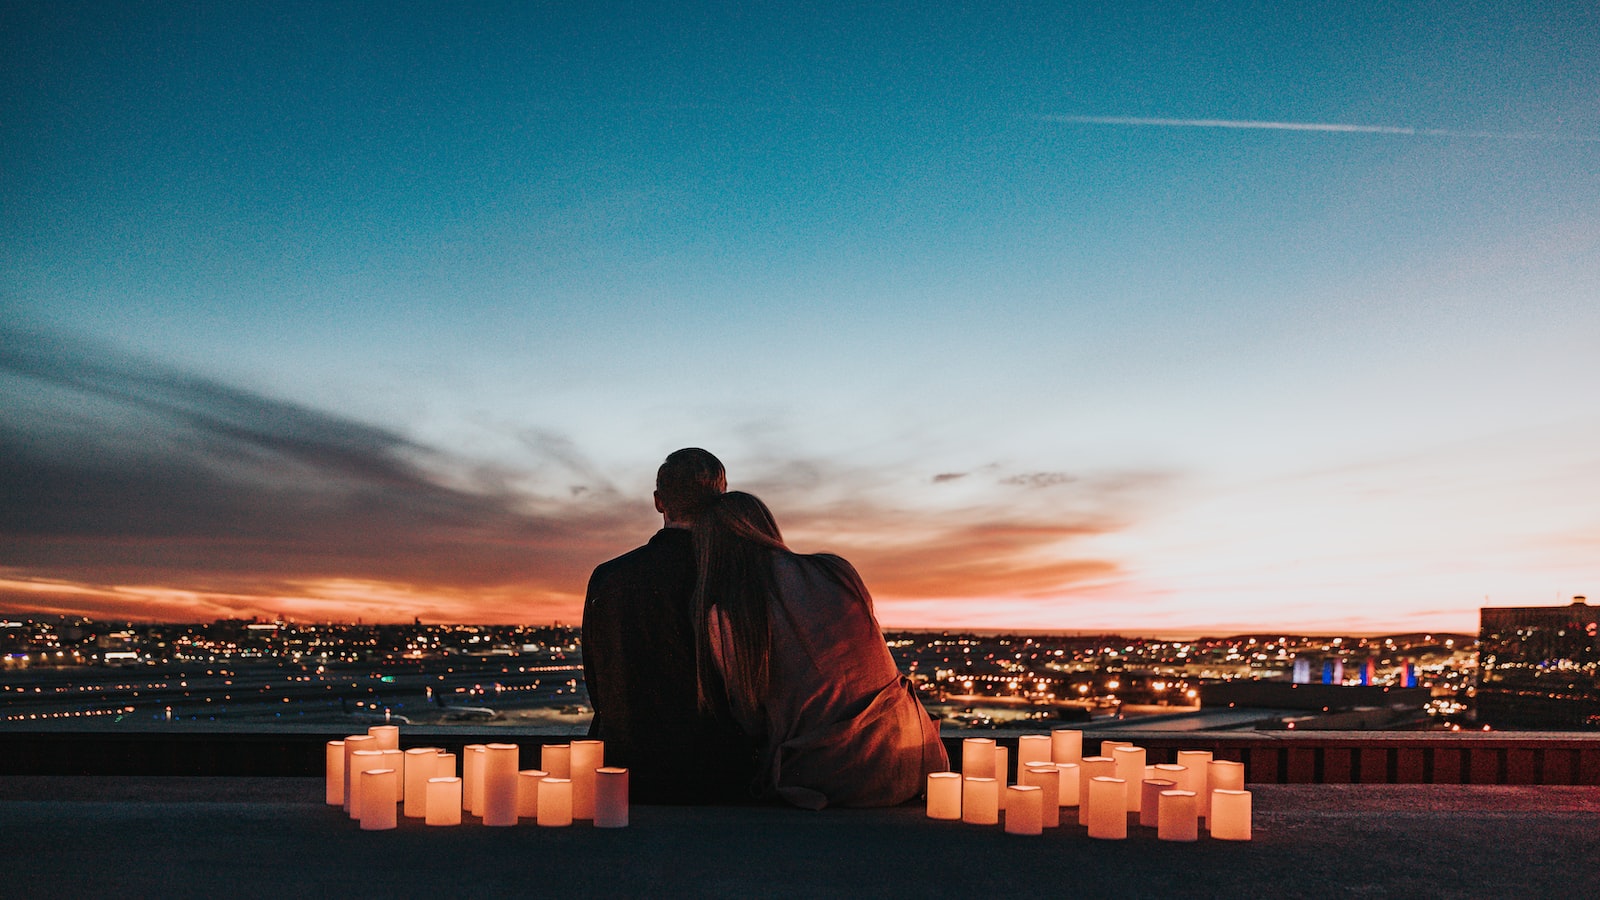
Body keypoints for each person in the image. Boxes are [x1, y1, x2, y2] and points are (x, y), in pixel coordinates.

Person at [692, 491, 948, 809]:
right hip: (915, 759)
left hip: (832, 779)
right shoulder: (835, 570)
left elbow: (749, 720)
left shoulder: (728, 615)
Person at [581, 448, 756, 803]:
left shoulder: (608, 577)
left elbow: (599, 686)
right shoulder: (737, 577)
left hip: (624, 771)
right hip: (715, 776)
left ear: (659, 501)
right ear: (721, 500)